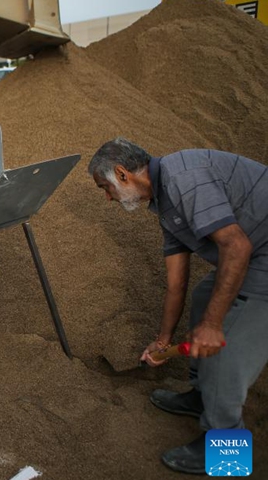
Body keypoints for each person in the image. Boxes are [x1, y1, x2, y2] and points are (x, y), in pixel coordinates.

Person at [88, 138, 268, 474]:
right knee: (203, 296)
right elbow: (177, 282)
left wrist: (213, 326)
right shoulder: (164, 201)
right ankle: (203, 395)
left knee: (226, 353)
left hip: (259, 256)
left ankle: (228, 453)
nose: (108, 198)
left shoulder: (184, 180)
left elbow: (236, 247)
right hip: (253, 250)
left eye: (106, 188)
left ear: (123, 174)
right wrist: (163, 339)